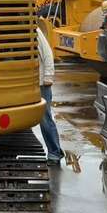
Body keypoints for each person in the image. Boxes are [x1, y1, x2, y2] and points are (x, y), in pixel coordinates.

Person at [37, 25, 64, 165]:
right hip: (30, 82)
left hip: (41, 82)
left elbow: (47, 53)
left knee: (45, 118)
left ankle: (54, 153)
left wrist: (48, 76)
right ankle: (56, 150)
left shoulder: (34, 31)